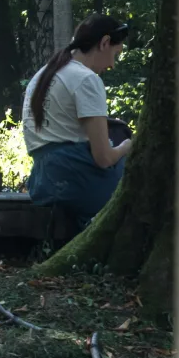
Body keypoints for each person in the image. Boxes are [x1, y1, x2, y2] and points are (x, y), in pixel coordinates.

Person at [22, 13, 135, 232]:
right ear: (104, 43)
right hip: (76, 178)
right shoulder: (86, 79)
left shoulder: (43, 75)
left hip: (43, 182)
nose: (112, 64)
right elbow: (103, 158)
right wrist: (128, 146)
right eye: (116, 53)